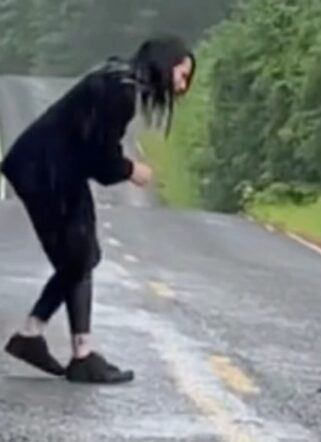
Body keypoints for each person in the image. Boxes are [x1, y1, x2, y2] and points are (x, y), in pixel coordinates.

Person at [0, 34, 196, 384]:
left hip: (51, 169)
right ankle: (50, 343)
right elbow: (98, 159)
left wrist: (115, 165)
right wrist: (131, 170)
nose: (182, 87)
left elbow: (90, 149)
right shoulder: (121, 91)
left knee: (80, 257)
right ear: (165, 66)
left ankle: (62, 347)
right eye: (182, 76)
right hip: (45, 171)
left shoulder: (118, 80)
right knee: (79, 257)